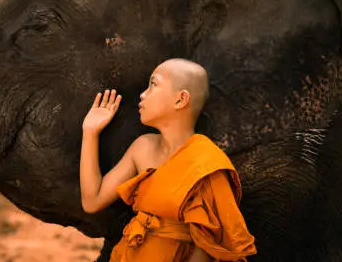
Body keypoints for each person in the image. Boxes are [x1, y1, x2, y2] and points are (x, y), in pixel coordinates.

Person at [80, 58, 257, 262]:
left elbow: (207, 246)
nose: (143, 94)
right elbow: (92, 201)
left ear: (180, 99)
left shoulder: (207, 164)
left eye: (153, 84)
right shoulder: (142, 147)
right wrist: (90, 132)